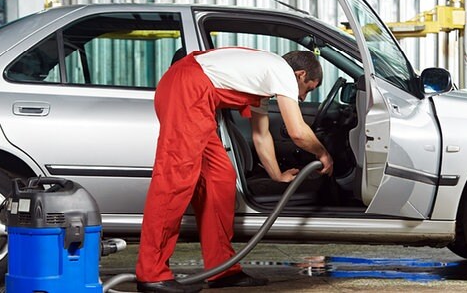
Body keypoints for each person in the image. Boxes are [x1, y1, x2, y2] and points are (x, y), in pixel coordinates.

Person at [136, 47, 334, 293]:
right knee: (175, 181)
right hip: (187, 89)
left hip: (197, 97)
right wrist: (322, 152)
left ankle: (221, 270)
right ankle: (151, 273)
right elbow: (297, 131)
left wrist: (277, 175)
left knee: (220, 177)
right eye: (309, 88)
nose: (304, 97)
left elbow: (261, 136)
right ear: (300, 74)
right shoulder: (281, 70)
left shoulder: (264, 81)